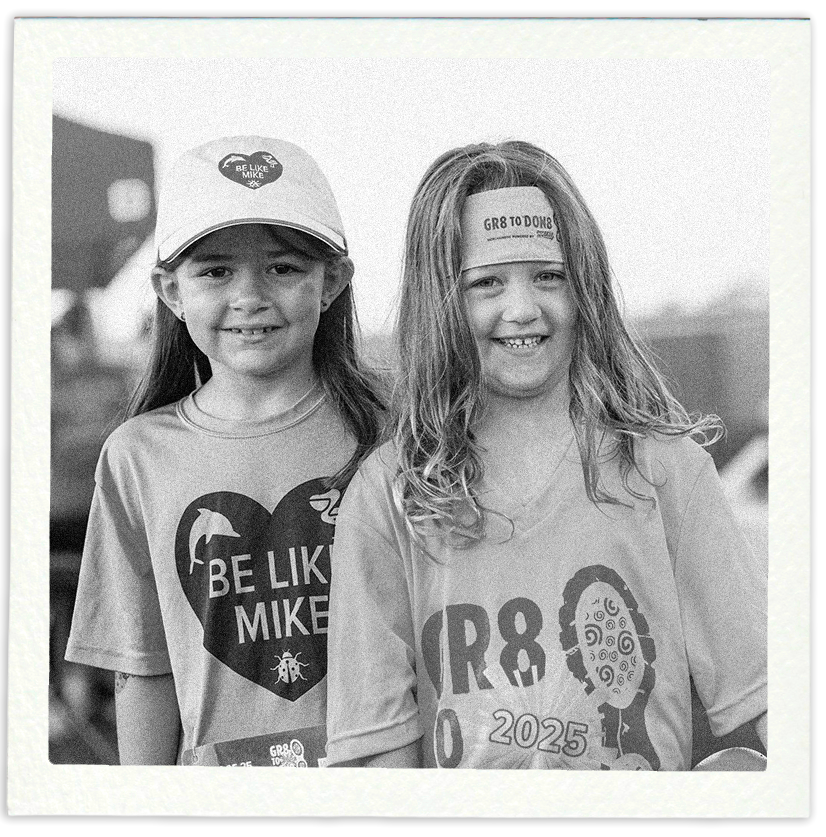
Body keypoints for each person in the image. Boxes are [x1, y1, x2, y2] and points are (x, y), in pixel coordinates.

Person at [325, 140, 767, 770]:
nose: (523, 309)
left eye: (549, 276)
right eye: (486, 284)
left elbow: (765, 696)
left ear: (583, 286)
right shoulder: (389, 494)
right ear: (440, 303)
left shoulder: (665, 471)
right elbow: (380, 758)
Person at [65, 136, 385, 766]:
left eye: (284, 267)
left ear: (333, 281)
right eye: (215, 270)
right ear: (171, 291)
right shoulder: (136, 458)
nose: (250, 296)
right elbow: (143, 669)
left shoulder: (393, 433)